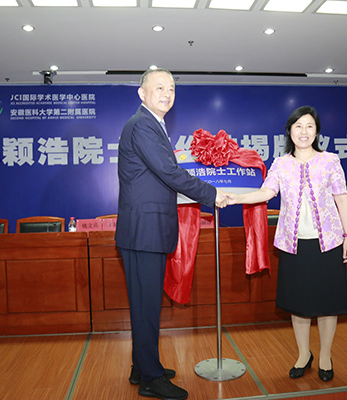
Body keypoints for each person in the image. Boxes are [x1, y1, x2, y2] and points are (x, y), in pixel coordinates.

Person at [115, 68, 227, 400]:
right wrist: (211, 193)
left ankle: (142, 366)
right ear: (142, 93)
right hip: (144, 231)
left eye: (172, 89)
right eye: (159, 87)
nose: (167, 94)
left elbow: (162, 176)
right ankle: (151, 378)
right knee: (146, 306)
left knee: (145, 305)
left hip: (147, 230)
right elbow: (169, 171)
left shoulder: (152, 125)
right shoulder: (143, 125)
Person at [227, 106, 347, 382]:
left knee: (327, 304)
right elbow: (266, 192)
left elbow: (342, 198)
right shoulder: (281, 164)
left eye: (309, 126)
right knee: (298, 304)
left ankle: (325, 356)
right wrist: (236, 197)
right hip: (294, 245)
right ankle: (303, 354)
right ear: (290, 131)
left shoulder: (330, 161)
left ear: (317, 131)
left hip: (328, 243)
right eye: (298, 126)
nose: (303, 132)